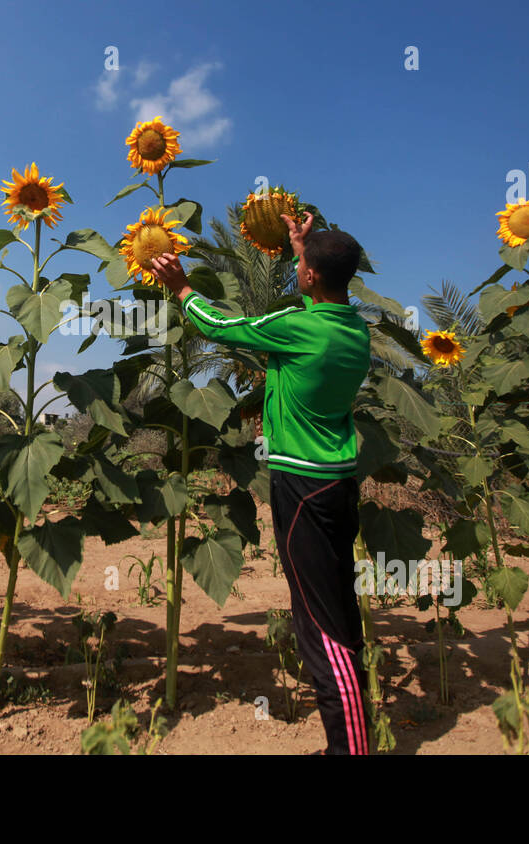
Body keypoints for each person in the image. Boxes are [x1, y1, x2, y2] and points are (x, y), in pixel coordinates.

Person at [146, 214, 373, 755]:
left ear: (313, 277)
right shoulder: (353, 328)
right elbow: (311, 302)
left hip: (302, 488)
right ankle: (357, 735)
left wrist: (181, 287)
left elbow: (224, 328)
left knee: (320, 628)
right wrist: (301, 246)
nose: (296, 269)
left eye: (300, 264)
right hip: (338, 483)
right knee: (339, 610)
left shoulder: (301, 328)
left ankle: (352, 751)